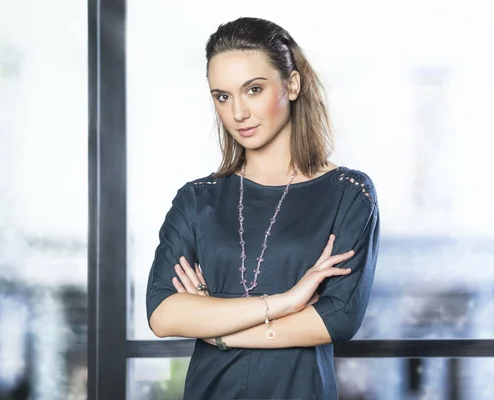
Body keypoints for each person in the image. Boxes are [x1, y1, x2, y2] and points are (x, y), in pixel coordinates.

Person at [146, 16, 380, 400]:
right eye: (222, 96)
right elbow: (162, 313)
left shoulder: (349, 192)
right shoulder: (196, 198)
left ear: (291, 84)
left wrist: (214, 327)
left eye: (253, 89)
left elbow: (338, 318)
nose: (237, 113)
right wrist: (286, 303)